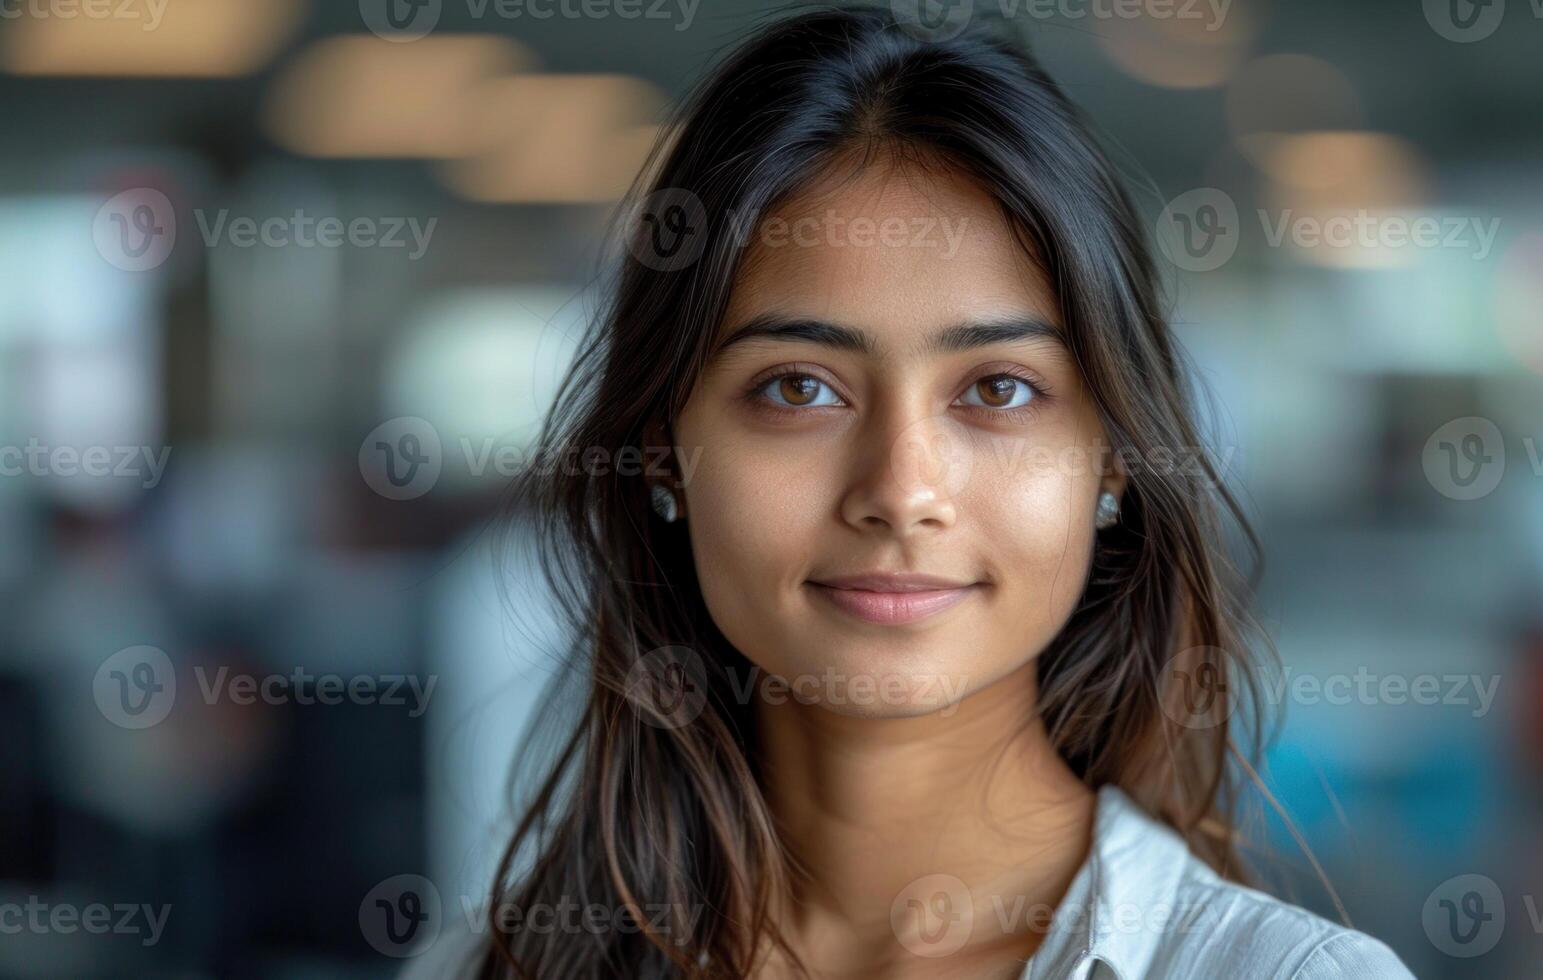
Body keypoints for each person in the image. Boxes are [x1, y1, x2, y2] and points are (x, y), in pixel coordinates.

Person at [406, 5, 1415, 978]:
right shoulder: (488, 966)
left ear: (1113, 457)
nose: (900, 489)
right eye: (799, 387)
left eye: (999, 389)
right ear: (664, 450)